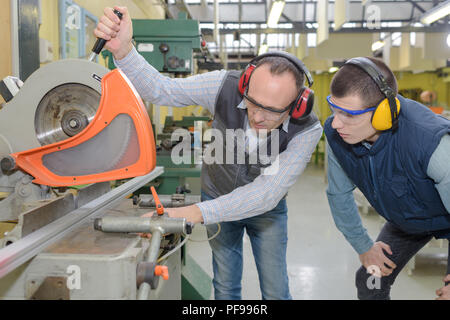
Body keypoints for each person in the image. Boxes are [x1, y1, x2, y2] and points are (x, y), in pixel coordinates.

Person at [94, 6, 322, 300]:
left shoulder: (307, 129)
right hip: (217, 194)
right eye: (252, 102)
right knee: (225, 286)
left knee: (276, 289)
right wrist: (124, 51)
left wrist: (193, 212)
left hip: (267, 212)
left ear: (297, 105)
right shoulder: (223, 86)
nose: (257, 115)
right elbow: (163, 90)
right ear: (245, 84)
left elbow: (267, 193)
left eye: (272, 111)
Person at [324, 56, 450, 300]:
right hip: (408, 220)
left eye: (349, 114)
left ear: (384, 113)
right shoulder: (337, 133)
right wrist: (364, 247)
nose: (336, 123)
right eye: (334, 109)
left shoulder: (432, 144)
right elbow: (338, 194)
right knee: (370, 281)